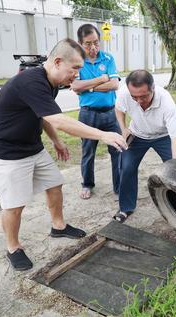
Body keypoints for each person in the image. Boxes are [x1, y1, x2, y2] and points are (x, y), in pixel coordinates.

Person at [0, 38, 127, 271]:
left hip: (31, 145)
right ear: (58, 62)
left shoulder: (51, 82)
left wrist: (56, 141)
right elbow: (59, 120)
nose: (77, 75)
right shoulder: (31, 81)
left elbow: (43, 115)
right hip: (6, 150)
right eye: (75, 69)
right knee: (14, 204)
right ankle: (13, 247)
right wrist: (103, 135)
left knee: (54, 183)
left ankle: (58, 226)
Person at [113, 70, 176, 222]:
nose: (139, 101)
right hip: (138, 134)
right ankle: (126, 208)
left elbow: (175, 137)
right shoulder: (124, 94)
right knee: (126, 168)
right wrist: (123, 128)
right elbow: (119, 109)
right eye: (135, 97)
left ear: (153, 88)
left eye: (144, 96)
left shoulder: (166, 102)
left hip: (163, 136)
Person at [71, 24, 121, 200]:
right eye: (88, 44)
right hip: (88, 114)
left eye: (96, 43)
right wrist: (100, 79)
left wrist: (89, 87)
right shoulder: (77, 62)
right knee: (88, 152)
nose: (93, 48)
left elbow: (114, 84)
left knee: (117, 149)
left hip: (110, 113)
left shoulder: (108, 58)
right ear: (80, 43)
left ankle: (119, 185)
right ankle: (87, 184)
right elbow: (75, 87)